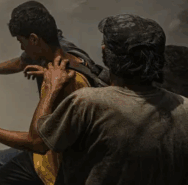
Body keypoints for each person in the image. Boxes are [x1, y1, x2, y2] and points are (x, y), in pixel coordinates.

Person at [18, 15, 188, 185]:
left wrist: (51, 87)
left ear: (105, 53)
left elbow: (38, 141)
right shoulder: (184, 108)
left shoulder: (88, 103)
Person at [0, 2, 91, 185]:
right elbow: (22, 62)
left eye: (22, 42)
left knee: (3, 174)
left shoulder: (61, 80)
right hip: (57, 146)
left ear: (34, 39)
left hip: (61, 163)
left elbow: (37, 142)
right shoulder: (55, 57)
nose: (22, 49)